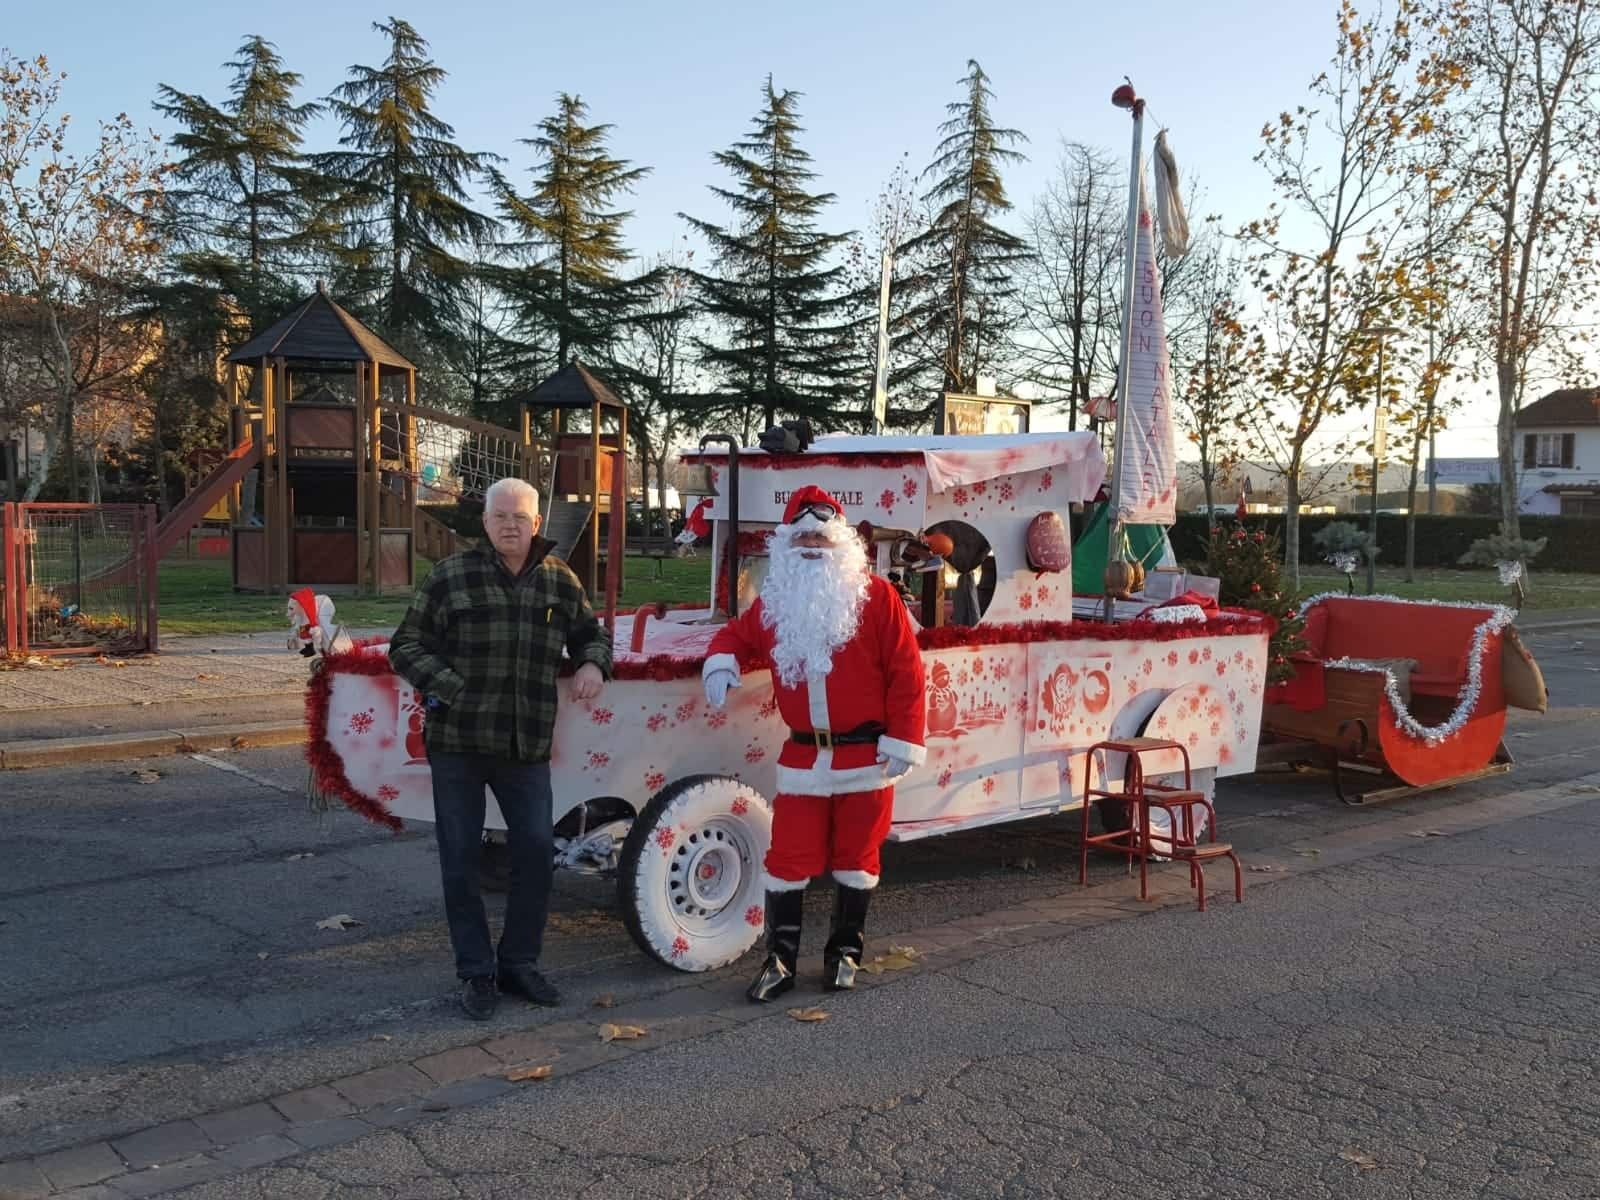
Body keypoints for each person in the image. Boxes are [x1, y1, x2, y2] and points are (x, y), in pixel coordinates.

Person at [390, 477, 610, 1021]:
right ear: (484, 522)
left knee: (535, 853)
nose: (509, 525)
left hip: (525, 742)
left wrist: (590, 662)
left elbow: (592, 634)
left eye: (520, 516)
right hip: (459, 744)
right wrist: (452, 687)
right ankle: (475, 971)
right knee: (460, 862)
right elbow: (406, 645)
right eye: (499, 516)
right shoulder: (451, 575)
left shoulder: (559, 580)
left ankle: (518, 962)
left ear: (538, 523)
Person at [702, 485, 926, 1001]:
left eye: (821, 537)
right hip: (803, 758)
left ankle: (844, 954)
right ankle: (779, 960)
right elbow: (735, 635)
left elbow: (907, 674)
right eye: (801, 536)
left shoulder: (878, 600)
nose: (811, 545)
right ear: (785, 546)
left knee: (856, 857)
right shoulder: (775, 606)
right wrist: (722, 660)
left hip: (867, 756)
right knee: (787, 858)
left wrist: (903, 739)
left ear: (842, 544)